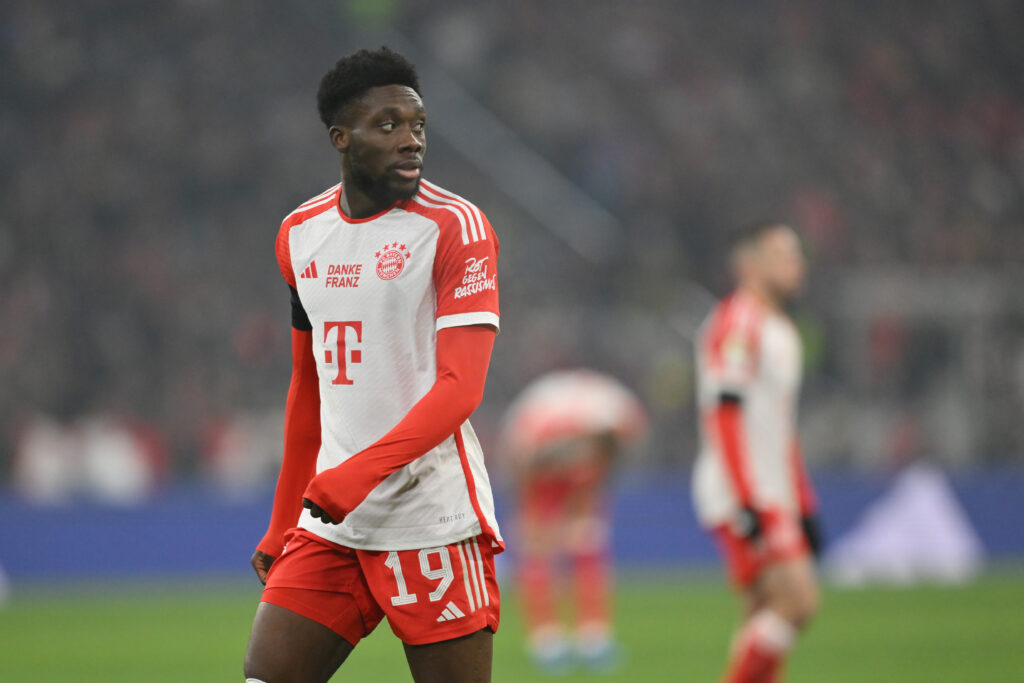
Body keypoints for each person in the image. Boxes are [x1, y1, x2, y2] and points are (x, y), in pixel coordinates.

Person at [243, 47, 503, 683]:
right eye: (387, 126)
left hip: (431, 518)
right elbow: (308, 386)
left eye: (417, 126)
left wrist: (357, 474)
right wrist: (283, 523)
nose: (410, 141)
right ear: (341, 137)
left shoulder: (455, 227)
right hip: (331, 524)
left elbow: (460, 388)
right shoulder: (299, 234)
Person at [692, 223, 823, 683]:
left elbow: (781, 428)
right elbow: (724, 414)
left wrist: (804, 503)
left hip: (773, 491)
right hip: (742, 490)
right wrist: (747, 499)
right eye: (784, 255)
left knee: (765, 614)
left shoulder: (782, 330)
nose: (797, 265)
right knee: (798, 601)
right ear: (751, 264)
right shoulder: (738, 321)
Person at [498, 369, 647, 673]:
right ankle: (547, 640)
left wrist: (582, 515)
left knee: (587, 544)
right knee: (538, 553)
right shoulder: (537, 434)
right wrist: (534, 523)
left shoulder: (607, 429)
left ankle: (593, 638)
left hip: (557, 470)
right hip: (537, 477)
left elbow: (597, 472)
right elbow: (523, 472)